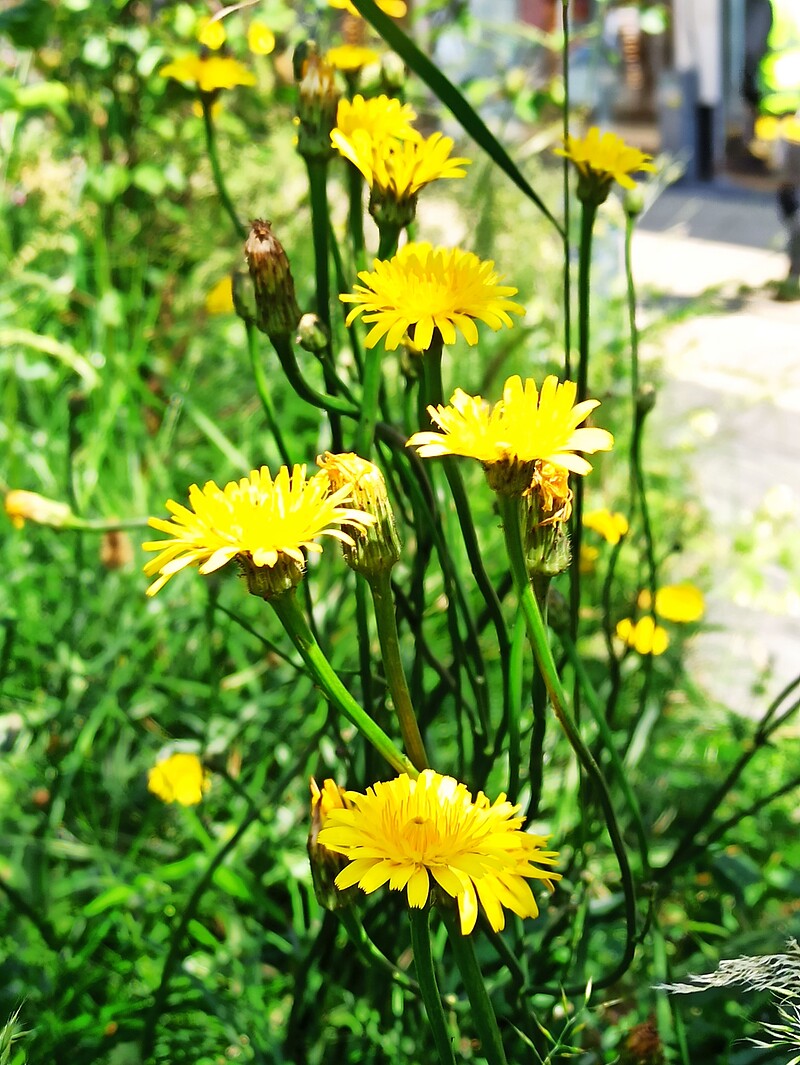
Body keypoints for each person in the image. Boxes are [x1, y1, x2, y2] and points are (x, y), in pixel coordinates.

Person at [743, 0, 800, 298]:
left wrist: (749, 99)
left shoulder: (770, 5)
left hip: (779, 109)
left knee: (790, 190)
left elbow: (752, 52)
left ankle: (796, 266)